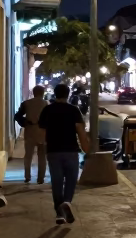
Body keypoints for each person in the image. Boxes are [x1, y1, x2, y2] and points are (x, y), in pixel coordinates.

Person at [38, 83, 90, 225]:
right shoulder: (74, 110)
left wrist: (43, 147)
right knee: (71, 179)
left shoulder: (47, 110)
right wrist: (86, 149)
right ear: (68, 95)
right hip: (71, 150)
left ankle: (59, 214)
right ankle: (67, 202)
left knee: (57, 181)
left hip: (53, 151)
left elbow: (41, 133)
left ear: (55, 94)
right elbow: (81, 132)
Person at [17, 85, 48, 184]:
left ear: (33, 93)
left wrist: (25, 122)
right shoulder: (46, 104)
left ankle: (27, 176)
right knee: (42, 156)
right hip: (42, 132)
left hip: (30, 131)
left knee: (28, 155)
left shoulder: (26, 103)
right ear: (43, 93)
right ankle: (40, 178)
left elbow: (17, 115)